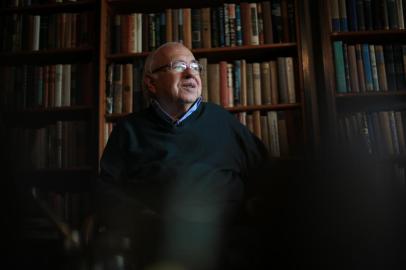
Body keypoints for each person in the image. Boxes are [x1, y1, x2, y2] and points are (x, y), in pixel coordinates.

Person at [94, 42, 270, 270]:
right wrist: (143, 220)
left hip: (229, 245)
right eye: (179, 66)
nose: (190, 73)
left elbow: (266, 176)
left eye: (195, 67)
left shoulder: (223, 121)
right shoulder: (129, 130)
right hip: (159, 249)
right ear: (151, 83)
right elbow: (106, 190)